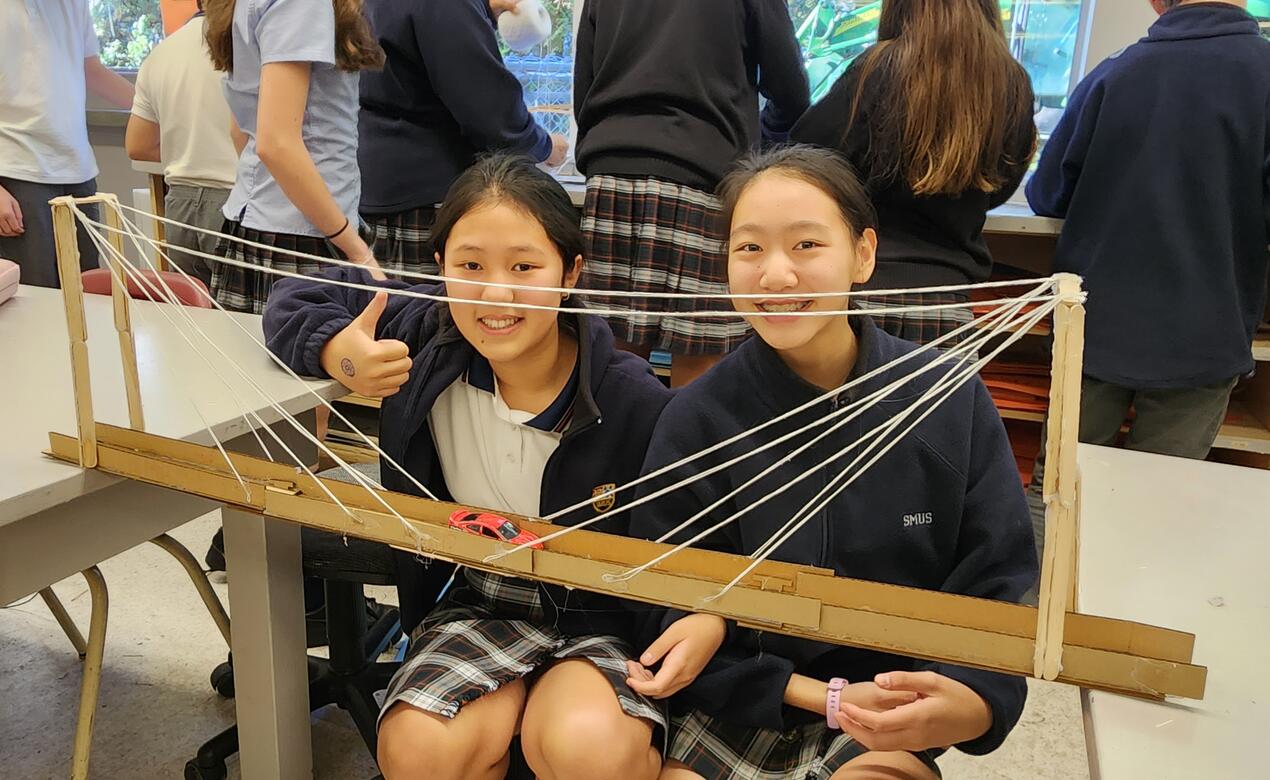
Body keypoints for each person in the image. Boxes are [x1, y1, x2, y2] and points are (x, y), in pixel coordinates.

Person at [627, 146, 1037, 780]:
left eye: (808, 246)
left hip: (890, 708)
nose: (776, 276)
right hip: (740, 706)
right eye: (749, 249)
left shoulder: (945, 395)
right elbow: (663, 597)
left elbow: (999, 582)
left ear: (864, 254)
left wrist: (979, 702)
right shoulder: (695, 418)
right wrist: (720, 637)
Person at [264, 155, 673, 780]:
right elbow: (296, 292)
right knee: (420, 749)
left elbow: (684, 547)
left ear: (571, 272)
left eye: (525, 266)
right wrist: (336, 350)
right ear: (440, 269)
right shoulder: (431, 330)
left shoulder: (632, 399)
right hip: (479, 601)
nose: (495, 293)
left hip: (602, 615)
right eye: (470, 265)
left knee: (586, 747)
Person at [1026, 0, 1270, 463]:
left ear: (1157, 1)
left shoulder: (1113, 74)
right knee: (1159, 502)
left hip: (1093, 331)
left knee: (1060, 491)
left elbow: (1047, 196)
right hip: (1205, 338)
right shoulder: (1265, 75)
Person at [573, 0, 810, 386]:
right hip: (702, 172)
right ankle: (687, 448)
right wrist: (762, 143)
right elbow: (791, 90)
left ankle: (613, 446)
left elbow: (584, 85)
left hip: (611, 173)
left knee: (609, 357)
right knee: (700, 361)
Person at [791, 0, 1036, 347]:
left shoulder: (877, 67)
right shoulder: (1012, 82)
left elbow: (805, 155)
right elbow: (1002, 184)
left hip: (864, 289)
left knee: (842, 403)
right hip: (947, 301)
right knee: (941, 403)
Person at [358, 0, 568, 275]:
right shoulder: (448, 6)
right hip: (427, 198)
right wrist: (546, 147)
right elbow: (493, 114)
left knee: (388, 309)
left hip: (373, 188)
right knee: (429, 314)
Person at [202, 0, 384, 313]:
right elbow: (276, 143)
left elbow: (243, 131)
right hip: (306, 232)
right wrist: (358, 252)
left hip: (261, 222)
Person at [0, 0, 135, 287]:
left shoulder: (74, 4)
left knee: (88, 292)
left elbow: (93, 71)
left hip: (78, 170)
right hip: (18, 171)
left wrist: (155, 110)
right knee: (35, 298)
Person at [126, 2, 238, 287]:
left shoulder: (162, 53)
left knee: (192, 318)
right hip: (234, 200)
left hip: (179, 205)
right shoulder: (245, 44)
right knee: (244, 324)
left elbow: (138, 145)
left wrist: (189, 151)